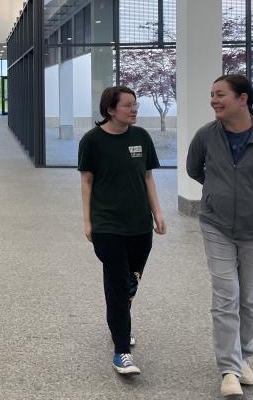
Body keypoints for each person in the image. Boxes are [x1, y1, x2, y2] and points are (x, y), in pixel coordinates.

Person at [186, 74, 253, 399]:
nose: (213, 101)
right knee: (226, 295)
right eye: (211, 95)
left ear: (242, 99)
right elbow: (195, 170)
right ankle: (229, 369)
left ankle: (243, 356)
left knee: (251, 298)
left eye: (220, 95)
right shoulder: (206, 136)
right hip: (216, 225)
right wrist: (219, 190)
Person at [78, 85, 166, 376]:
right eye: (127, 105)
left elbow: (148, 177)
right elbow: (87, 182)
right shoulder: (92, 141)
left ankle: (121, 323)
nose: (134, 109)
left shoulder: (141, 137)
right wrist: (88, 221)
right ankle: (121, 352)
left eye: (135, 104)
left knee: (131, 283)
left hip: (139, 225)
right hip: (108, 225)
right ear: (110, 109)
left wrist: (158, 213)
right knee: (116, 285)